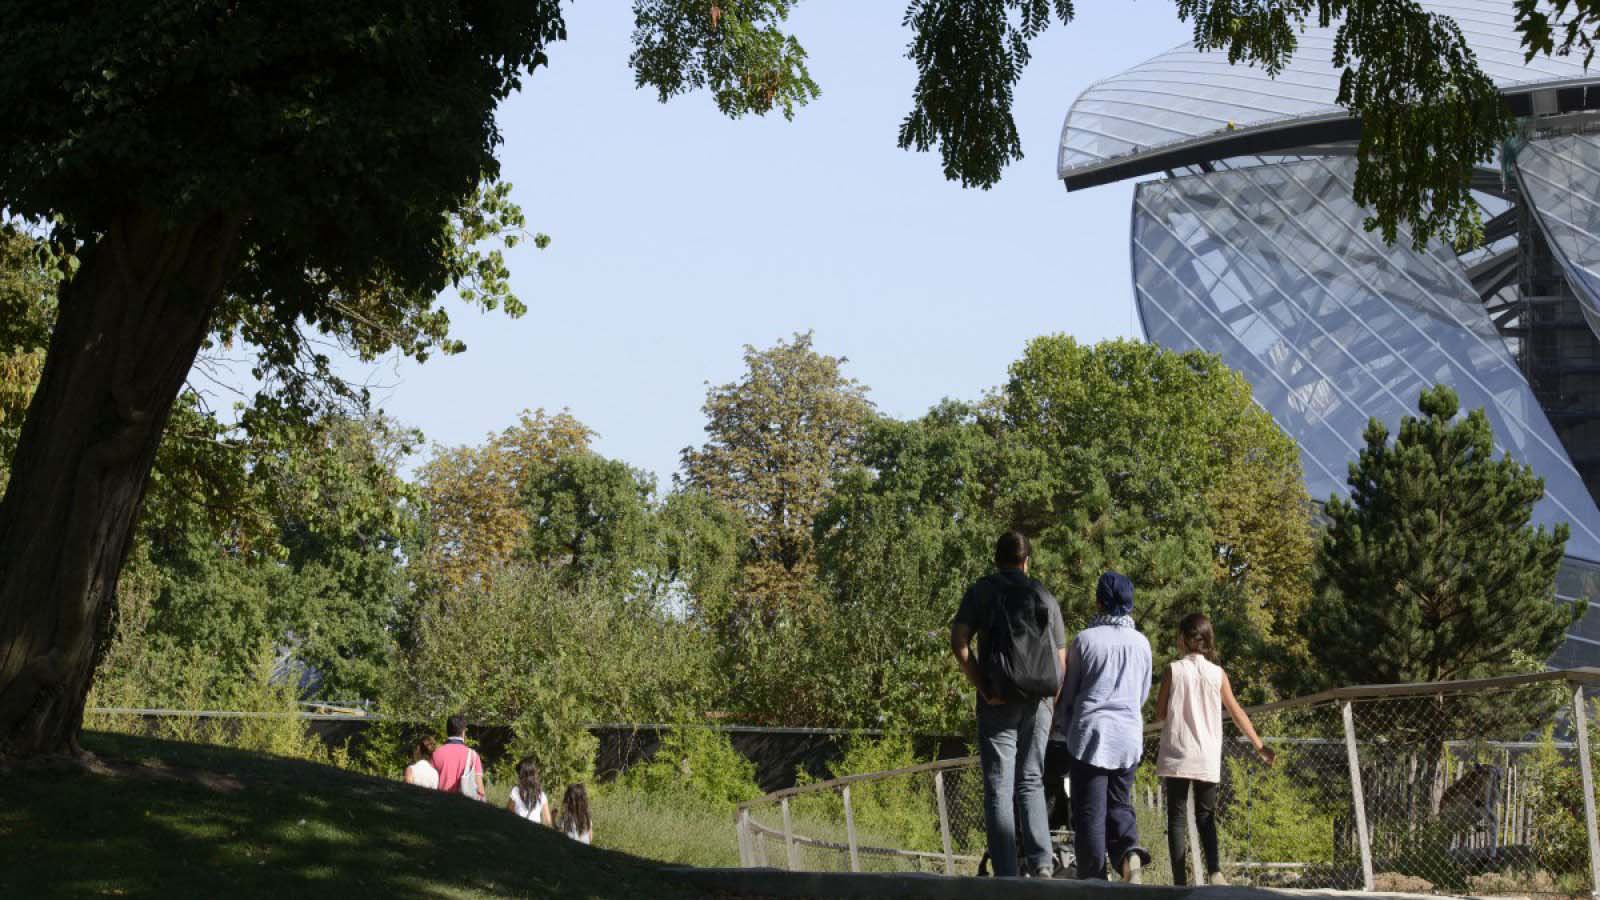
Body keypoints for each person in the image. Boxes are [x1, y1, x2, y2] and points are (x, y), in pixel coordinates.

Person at [950, 530, 1067, 878]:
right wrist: (1048, 700)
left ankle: (1005, 874)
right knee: (1031, 779)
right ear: (1027, 560)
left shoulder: (982, 591)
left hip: (998, 698)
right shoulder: (1043, 595)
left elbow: (959, 642)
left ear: (995, 559)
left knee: (999, 786)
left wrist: (983, 685)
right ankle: (1043, 864)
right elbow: (1060, 661)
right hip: (1039, 700)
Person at [1155, 612, 1275, 886]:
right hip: (1206, 755)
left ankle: (1179, 881)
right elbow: (1236, 712)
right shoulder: (1218, 674)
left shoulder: (1172, 670)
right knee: (1206, 815)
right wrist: (1260, 746)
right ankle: (1215, 871)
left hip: (1177, 752)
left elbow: (1160, 714)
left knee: (1176, 816)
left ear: (1184, 639)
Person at [1054, 571, 1153, 883]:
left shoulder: (1085, 641)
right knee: (1119, 805)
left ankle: (1094, 881)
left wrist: (1063, 727)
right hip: (1128, 737)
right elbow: (1143, 694)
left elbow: (1067, 694)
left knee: (1089, 815)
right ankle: (1129, 855)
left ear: (1099, 602)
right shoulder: (1142, 644)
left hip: (1091, 737)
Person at [432, 714, 486, 801]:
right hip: (465, 808)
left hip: (441, 805)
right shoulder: (473, 756)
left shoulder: (436, 754)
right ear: (463, 732)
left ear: (447, 731)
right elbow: (480, 790)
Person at [508, 756, 553, 826]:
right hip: (535, 833)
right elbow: (548, 822)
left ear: (522, 776)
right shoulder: (541, 795)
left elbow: (508, 814)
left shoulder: (515, 792)